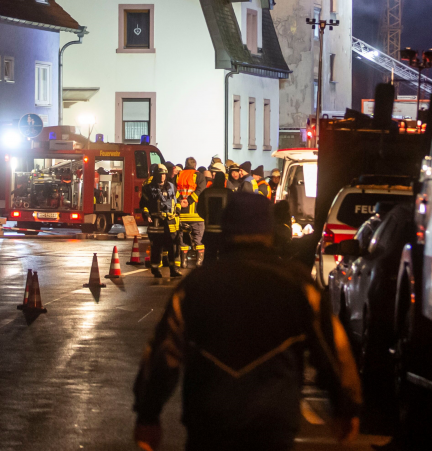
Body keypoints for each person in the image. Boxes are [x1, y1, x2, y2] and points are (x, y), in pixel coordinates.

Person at [133, 192, 361, 451]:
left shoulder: (197, 285)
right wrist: (346, 406)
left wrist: (148, 413)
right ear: (269, 230)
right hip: (273, 422)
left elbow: (164, 350)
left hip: (210, 421)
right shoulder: (296, 283)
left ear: (227, 227)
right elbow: (333, 348)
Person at [140, 164, 180, 278]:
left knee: (172, 247)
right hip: (156, 224)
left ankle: (173, 270)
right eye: (160, 174)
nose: (162, 177)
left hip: (169, 223)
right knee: (156, 248)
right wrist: (146, 214)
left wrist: (177, 211)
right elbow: (143, 204)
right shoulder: (148, 189)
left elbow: (177, 200)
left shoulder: (171, 187)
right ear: (155, 175)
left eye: (164, 174)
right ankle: (155, 268)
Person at [200, 161, 229, 264]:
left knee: (209, 258)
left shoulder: (206, 192)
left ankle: (208, 278)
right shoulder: (228, 193)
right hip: (224, 232)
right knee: (224, 259)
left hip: (209, 232)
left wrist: (206, 218)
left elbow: (199, 209)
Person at [175, 168, 204, 267]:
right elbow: (201, 190)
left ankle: (184, 263)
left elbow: (174, 190)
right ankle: (199, 262)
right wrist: (190, 200)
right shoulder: (199, 176)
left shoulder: (179, 175)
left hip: (182, 215)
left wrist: (180, 200)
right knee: (199, 240)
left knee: (183, 241)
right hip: (196, 215)